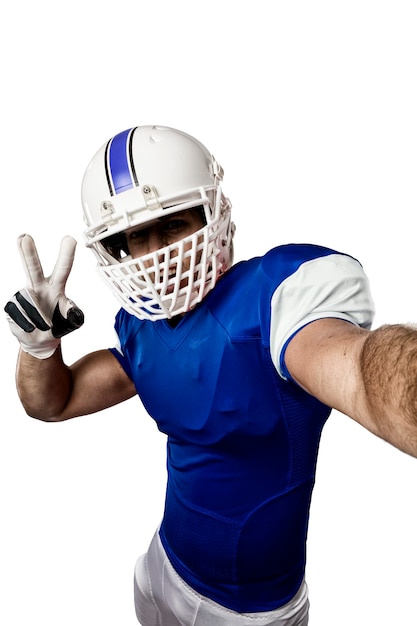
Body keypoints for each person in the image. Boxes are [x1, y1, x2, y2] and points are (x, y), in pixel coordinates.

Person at [4, 125, 417, 626]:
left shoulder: (274, 302)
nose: (157, 256)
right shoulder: (140, 328)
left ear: (212, 213)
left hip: (250, 611)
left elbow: (361, 376)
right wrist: (38, 348)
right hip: (163, 563)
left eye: (172, 224)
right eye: (136, 236)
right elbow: (53, 402)